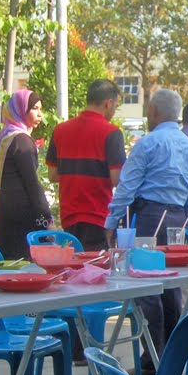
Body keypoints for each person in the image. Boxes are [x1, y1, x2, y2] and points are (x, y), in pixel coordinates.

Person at [104, 89, 188, 375]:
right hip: (178, 218)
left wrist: (111, 221)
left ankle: (152, 359)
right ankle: (171, 356)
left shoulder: (149, 143)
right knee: (171, 288)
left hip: (149, 216)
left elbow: (127, 186)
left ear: (156, 112)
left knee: (148, 289)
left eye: (148, 110)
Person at [47, 79, 126, 252]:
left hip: (69, 215)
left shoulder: (60, 130)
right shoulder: (112, 133)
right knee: (96, 271)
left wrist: (75, 171)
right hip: (98, 215)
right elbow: (117, 179)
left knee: (74, 268)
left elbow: (52, 175)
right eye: (115, 106)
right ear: (108, 103)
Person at [0, 89, 53, 260]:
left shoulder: (5, 137)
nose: (40, 114)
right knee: (25, 267)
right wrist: (47, 218)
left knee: (10, 268)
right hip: (23, 215)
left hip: (6, 210)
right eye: (34, 108)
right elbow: (32, 184)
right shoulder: (22, 140)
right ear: (20, 109)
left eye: (40, 109)